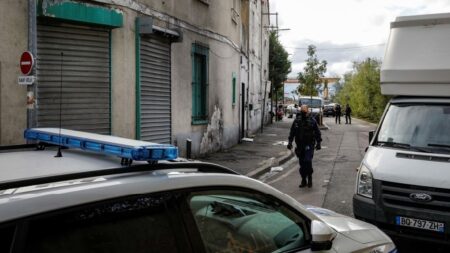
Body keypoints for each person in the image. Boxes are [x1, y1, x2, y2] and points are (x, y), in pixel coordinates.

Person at [287, 105, 322, 188]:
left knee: (308, 162)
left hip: (309, 145)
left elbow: (317, 132)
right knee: (302, 164)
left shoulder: (312, 120)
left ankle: (309, 177)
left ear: (307, 111)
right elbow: (292, 132)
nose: (303, 112)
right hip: (299, 146)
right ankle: (303, 179)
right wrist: (290, 142)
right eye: (302, 110)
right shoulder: (297, 121)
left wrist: (319, 143)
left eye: (304, 110)